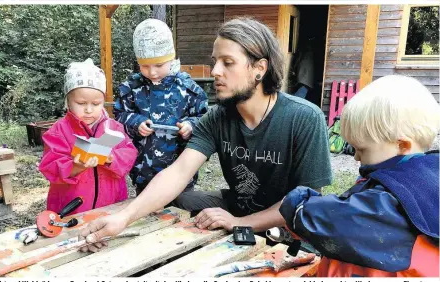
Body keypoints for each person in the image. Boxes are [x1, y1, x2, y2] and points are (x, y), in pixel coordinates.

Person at [79, 17, 332, 252]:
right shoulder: (218, 117)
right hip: (237, 205)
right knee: (176, 198)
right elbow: (178, 173)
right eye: (215, 62)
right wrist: (124, 217)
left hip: (286, 221)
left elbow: (305, 200)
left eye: (228, 63)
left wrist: (239, 223)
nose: (215, 72)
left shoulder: (304, 117)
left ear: (259, 68)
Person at [279, 75, 440, 277]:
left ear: (402, 145)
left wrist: (298, 205)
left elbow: (337, 223)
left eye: (361, 150)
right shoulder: (422, 174)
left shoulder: (393, 202)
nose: (355, 157)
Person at [114, 18, 208, 196]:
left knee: (179, 216)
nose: (152, 72)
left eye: (159, 65)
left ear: (171, 58)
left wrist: (190, 125)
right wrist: (136, 123)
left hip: (181, 175)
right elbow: (118, 118)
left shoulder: (188, 89)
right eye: (145, 66)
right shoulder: (132, 88)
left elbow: (205, 119)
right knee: (146, 217)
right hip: (144, 174)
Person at [39, 59, 138, 215]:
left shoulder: (113, 128)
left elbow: (130, 153)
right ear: (68, 102)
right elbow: (50, 166)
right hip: (72, 207)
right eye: (81, 103)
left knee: (109, 235)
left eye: (96, 103)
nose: (89, 110)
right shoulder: (59, 131)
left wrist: (111, 158)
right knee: (75, 236)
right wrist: (76, 167)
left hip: (111, 204)